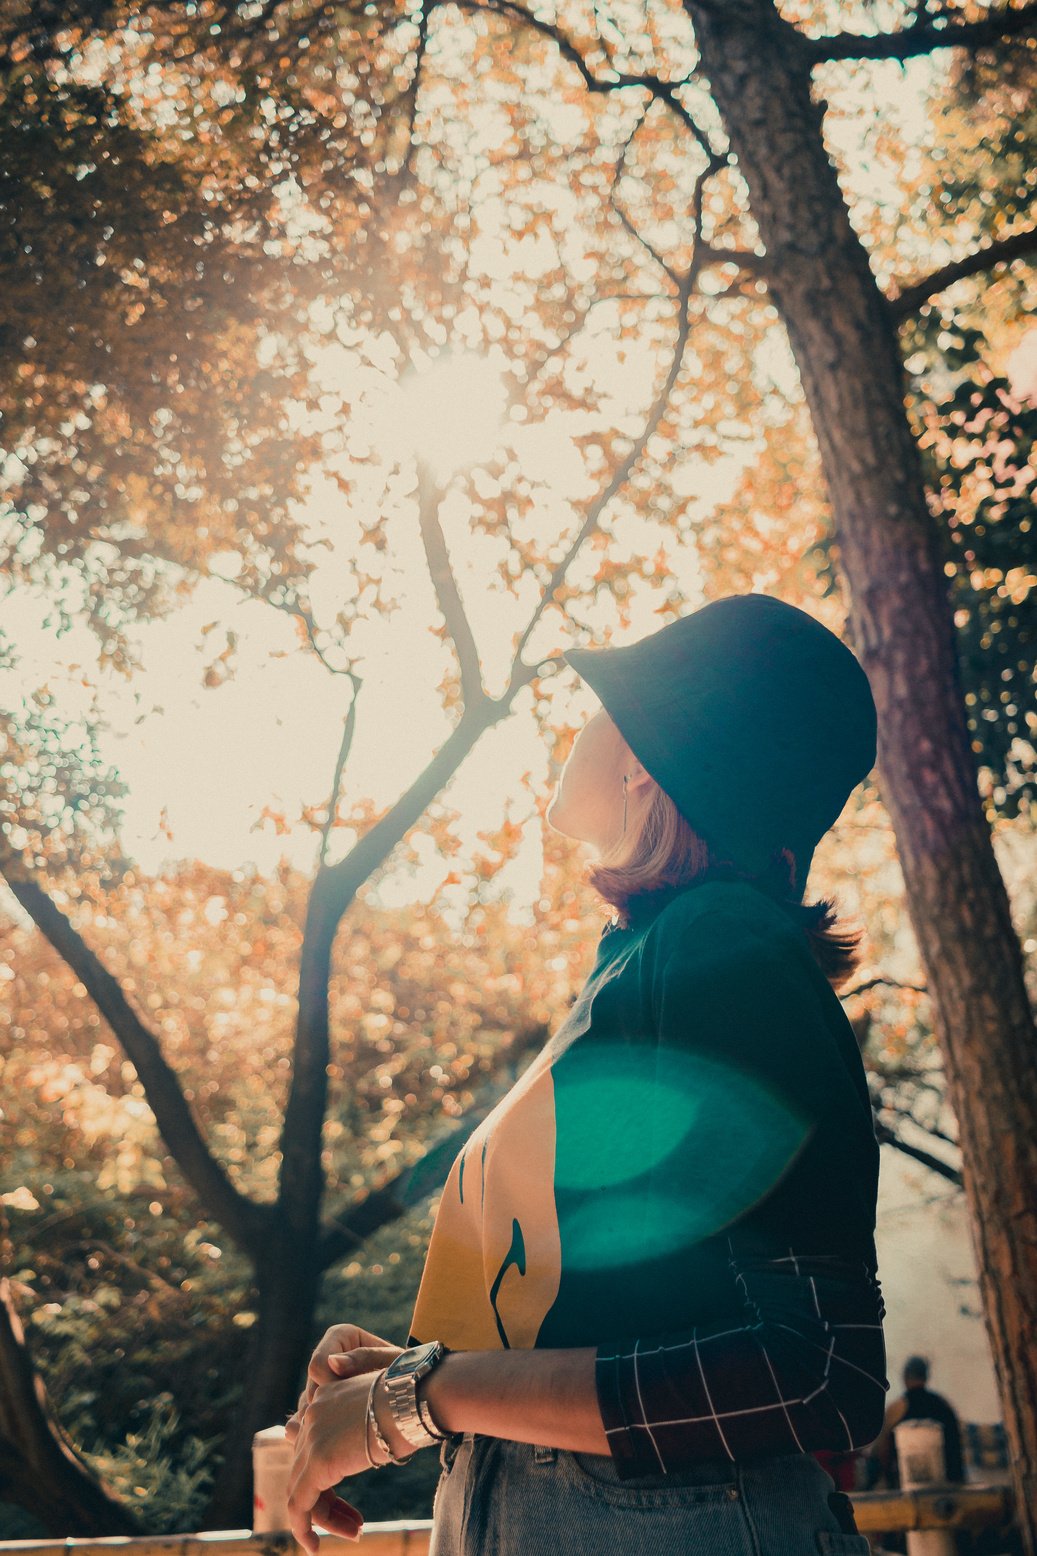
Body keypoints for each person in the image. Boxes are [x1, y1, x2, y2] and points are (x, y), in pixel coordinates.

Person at [284, 592, 889, 1554]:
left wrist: (417, 1398)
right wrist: (399, 1380)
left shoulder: (721, 949)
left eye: (602, 703)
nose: (577, 726)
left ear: (648, 757)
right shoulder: (645, 961)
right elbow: (640, 1320)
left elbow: (814, 1375)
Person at [865, 1354, 965, 1489]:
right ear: (926, 1377)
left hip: (905, 1485)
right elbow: (956, 1445)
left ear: (905, 1378)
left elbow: (880, 1449)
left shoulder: (897, 1408)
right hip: (948, 1481)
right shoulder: (943, 1405)